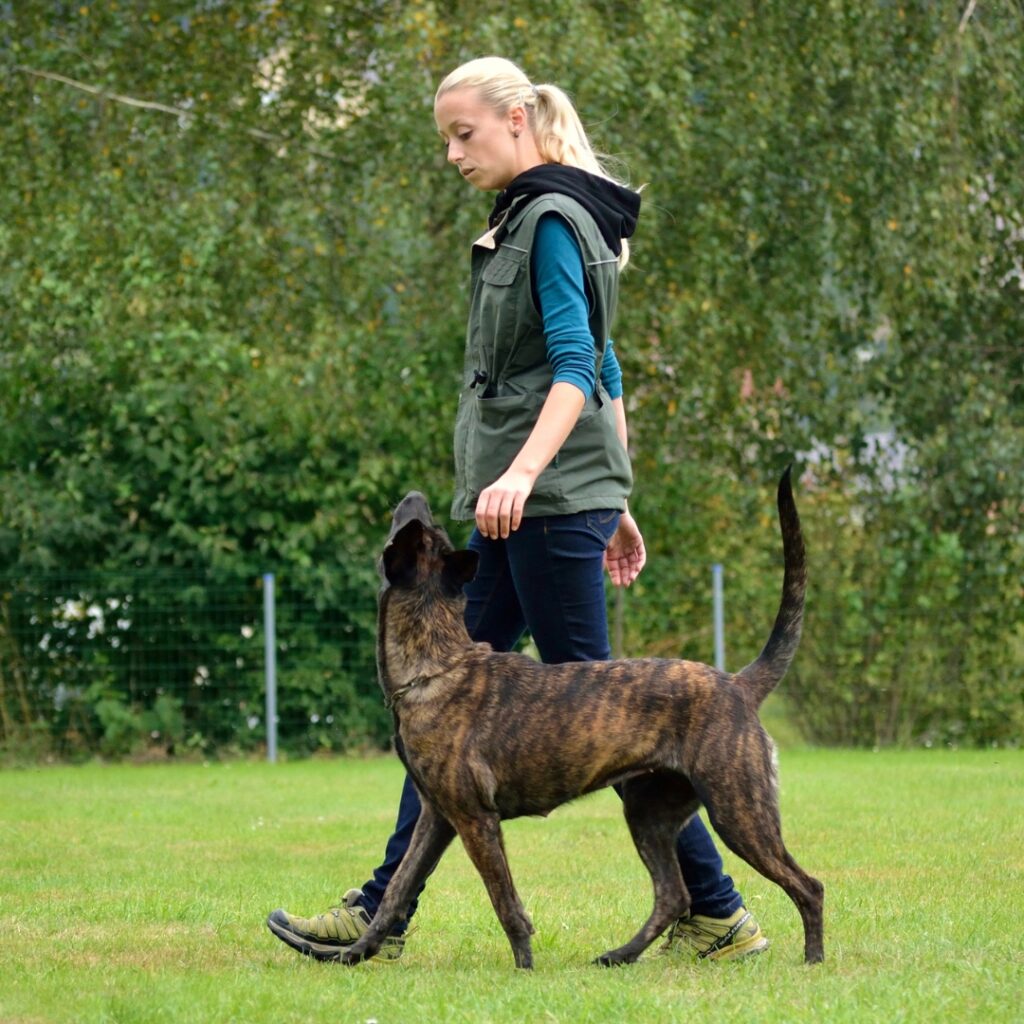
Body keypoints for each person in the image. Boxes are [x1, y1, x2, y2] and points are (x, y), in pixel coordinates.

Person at [267, 55, 767, 964]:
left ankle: (718, 912)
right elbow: (606, 371)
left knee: (615, 722)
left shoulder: (546, 223)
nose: (454, 154)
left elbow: (581, 367)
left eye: (464, 134)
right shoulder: (539, 219)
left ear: (516, 119)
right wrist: (613, 495)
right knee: (441, 715)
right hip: (535, 510)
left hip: (534, 506)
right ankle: (381, 913)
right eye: (445, 139)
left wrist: (537, 477)